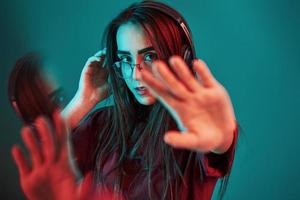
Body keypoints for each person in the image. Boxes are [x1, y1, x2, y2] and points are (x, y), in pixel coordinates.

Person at [62, 1, 239, 199]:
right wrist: (83, 100)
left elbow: (217, 141)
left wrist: (222, 136)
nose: (136, 75)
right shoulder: (102, 123)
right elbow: (37, 162)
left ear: (183, 57)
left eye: (150, 57)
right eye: (126, 60)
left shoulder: (193, 130)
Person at [8, 54, 117, 200]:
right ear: (20, 111)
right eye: (42, 105)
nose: (57, 111)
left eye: (58, 98)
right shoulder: (38, 177)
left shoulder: (99, 127)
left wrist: (86, 99)